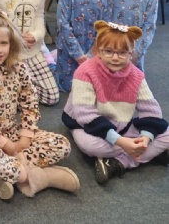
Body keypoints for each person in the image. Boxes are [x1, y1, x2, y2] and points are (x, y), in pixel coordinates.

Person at [0, 8, 80, 200]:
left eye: (3, 43)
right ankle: (39, 176)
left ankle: (8, 172)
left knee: (62, 145)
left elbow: (30, 104)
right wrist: (4, 144)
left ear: (11, 43)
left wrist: (25, 136)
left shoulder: (20, 69)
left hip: (13, 132)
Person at [62, 20, 169, 186]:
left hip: (120, 124)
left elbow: (151, 111)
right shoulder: (85, 71)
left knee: (166, 135)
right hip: (87, 124)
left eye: (122, 53)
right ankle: (146, 155)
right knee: (91, 146)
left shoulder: (136, 75)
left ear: (131, 54)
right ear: (98, 50)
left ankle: (118, 163)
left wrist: (146, 139)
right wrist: (122, 142)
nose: (115, 58)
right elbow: (85, 114)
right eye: (108, 51)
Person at [55, 0, 114, 92]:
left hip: (93, 49)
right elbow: (63, 24)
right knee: (69, 87)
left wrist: (91, 53)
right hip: (69, 48)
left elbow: (105, 30)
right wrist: (77, 53)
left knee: (90, 85)